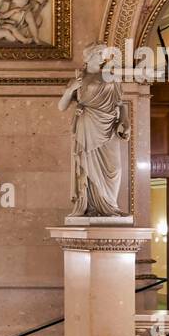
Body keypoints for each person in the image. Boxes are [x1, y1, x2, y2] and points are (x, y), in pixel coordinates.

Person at [59, 43, 130, 219]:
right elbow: (61, 106)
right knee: (88, 165)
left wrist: (125, 121)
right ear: (89, 56)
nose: (103, 58)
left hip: (108, 128)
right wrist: (70, 89)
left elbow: (121, 104)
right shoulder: (78, 79)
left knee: (115, 168)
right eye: (99, 54)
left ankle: (110, 206)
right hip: (87, 125)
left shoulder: (111, 77)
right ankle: (91, 206)